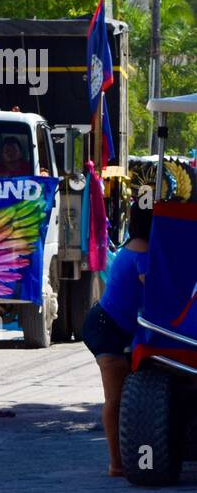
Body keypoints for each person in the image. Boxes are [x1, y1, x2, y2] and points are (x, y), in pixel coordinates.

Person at [81, 202, 151, 477]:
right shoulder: (143, 248)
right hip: (106, 327)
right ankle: (117, 463)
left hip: (113, 325)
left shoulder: (136, 244)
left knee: (123, 396)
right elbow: (157, 290)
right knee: (116, 399)